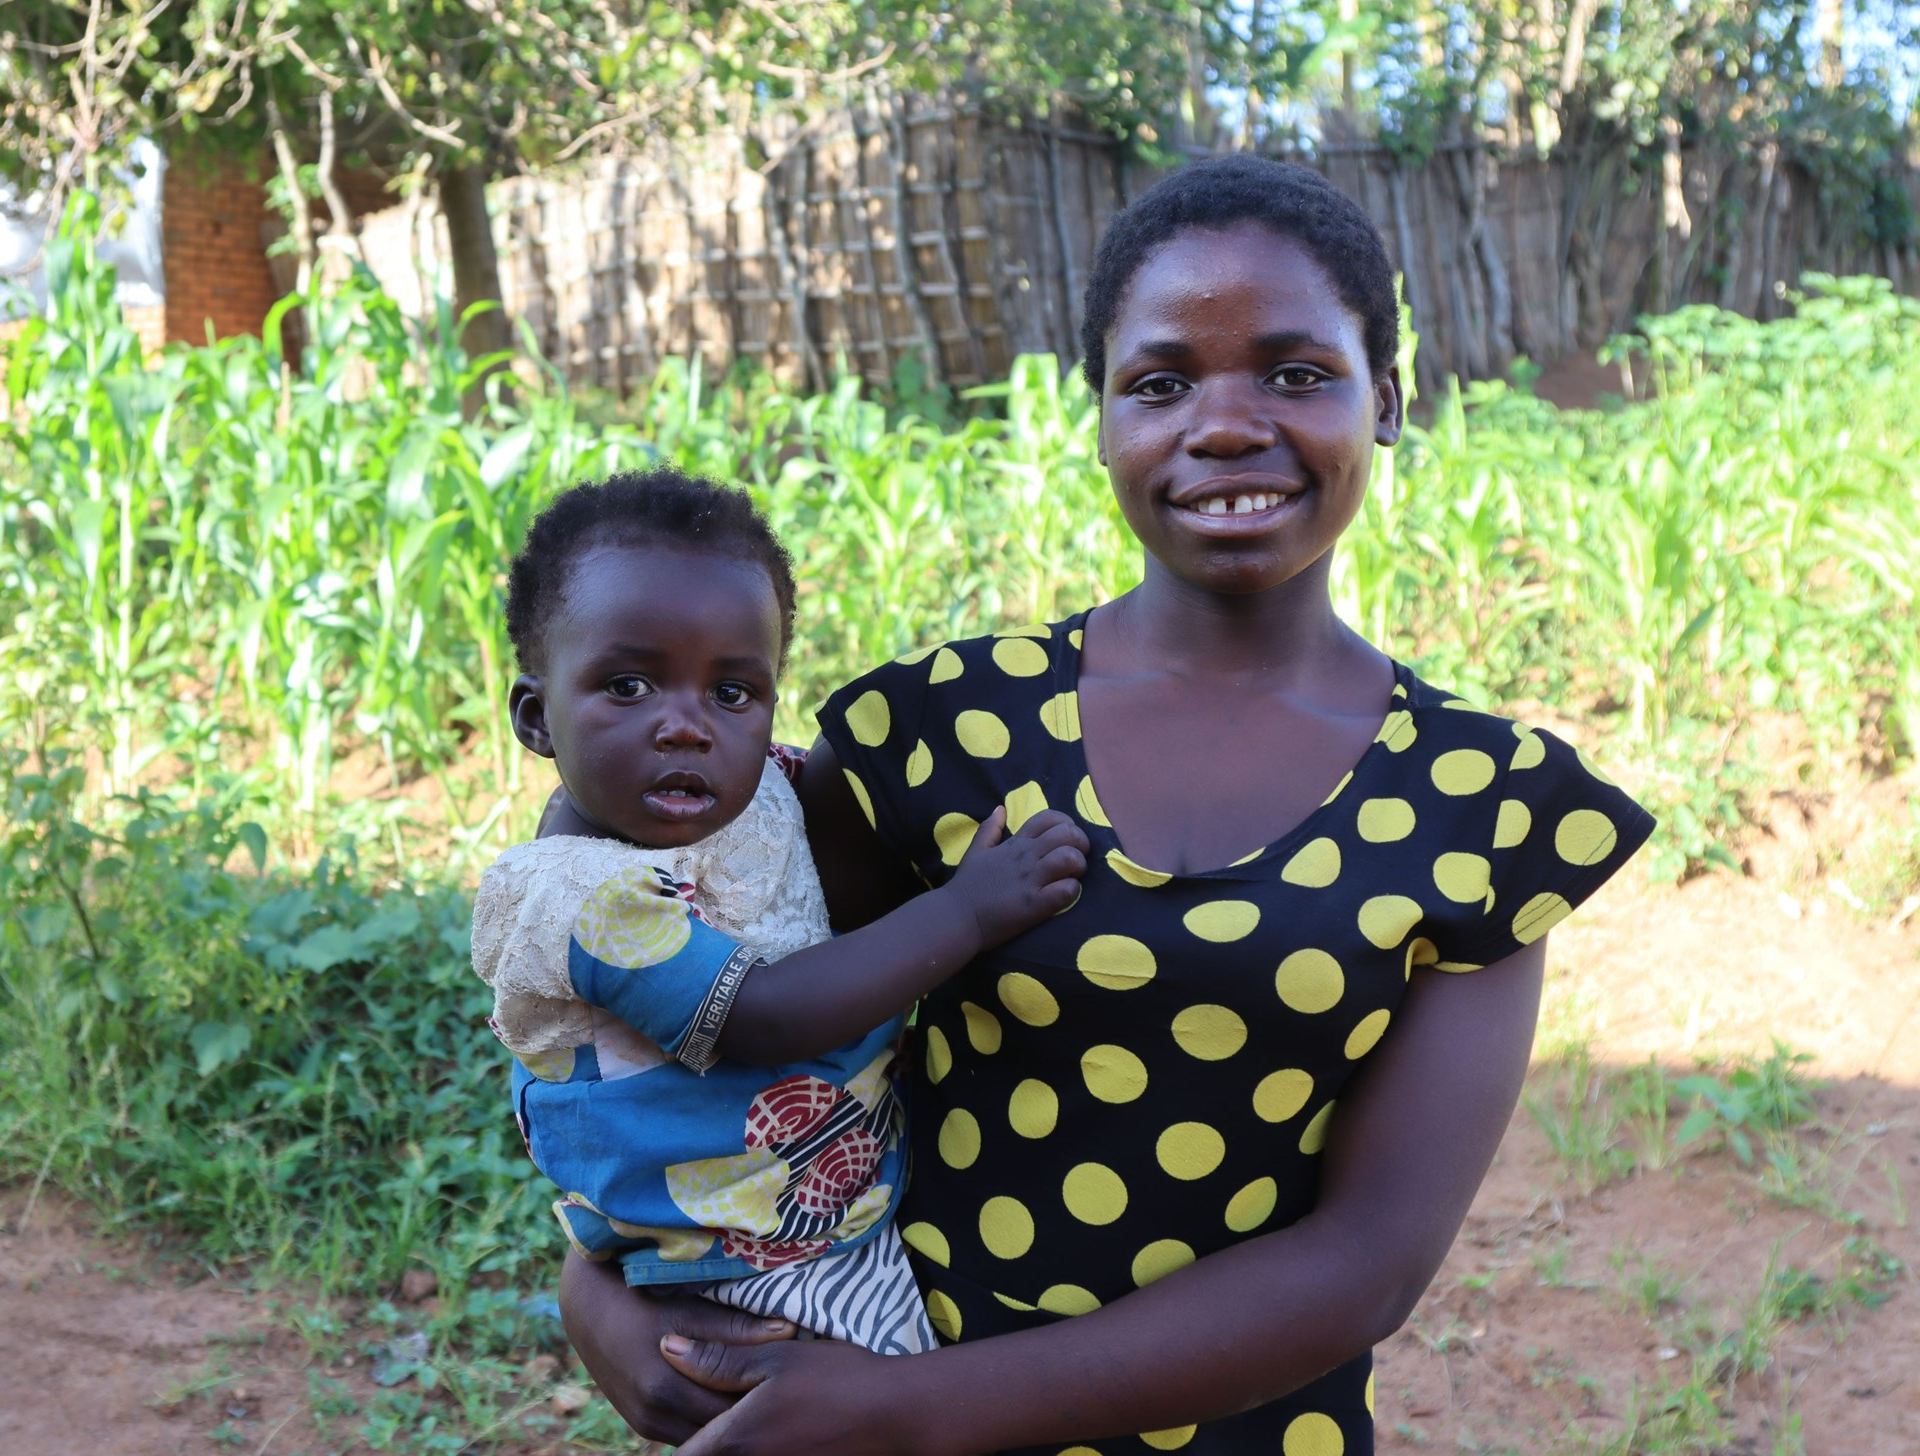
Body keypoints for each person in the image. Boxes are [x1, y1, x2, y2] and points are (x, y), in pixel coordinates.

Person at [555, 157, 1656, 1455]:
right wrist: (599, 1288)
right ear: (1101, 420)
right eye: (1162, 382)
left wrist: (913, 1417)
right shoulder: (939, 733)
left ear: (1390, 401)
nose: (1228, 423)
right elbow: (693, 1018)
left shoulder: (1481, 809)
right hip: (867, 1376)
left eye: (1298, 375)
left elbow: (1368, 1265)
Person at [472, 471, 1089, 1359]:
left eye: (731, 694)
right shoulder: (582, 899)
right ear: (537, 717)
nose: (686, 726)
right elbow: (767, 1017)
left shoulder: (740, 787)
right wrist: (968, 913)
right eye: (628, 687)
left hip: (816, 1196)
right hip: (752, 1255)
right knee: (879, 1406)